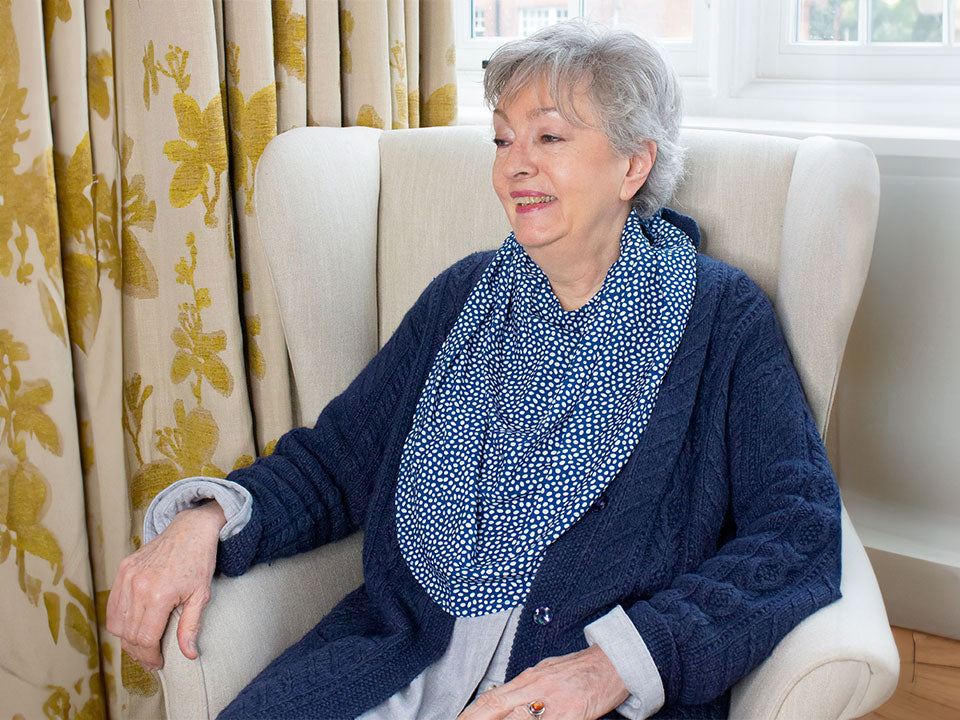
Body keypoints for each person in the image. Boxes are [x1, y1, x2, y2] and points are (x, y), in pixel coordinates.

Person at [106, 20, 841, 720]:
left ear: (634, 163)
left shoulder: (720, 319)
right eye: (503, 140)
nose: (514, 164)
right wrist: (204, 522)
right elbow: (340, 462)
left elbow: (798, 530)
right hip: (400, 663)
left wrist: (612, 664)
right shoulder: (463, 296)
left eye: (549, 136)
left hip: (578, 693)